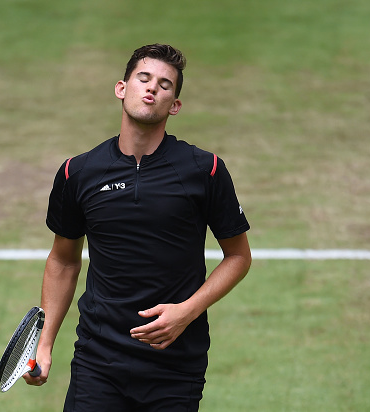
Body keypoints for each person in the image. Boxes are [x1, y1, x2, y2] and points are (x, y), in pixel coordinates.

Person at [24, 43, 252, 411]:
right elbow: (64, 261)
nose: (152, 88)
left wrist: (187, 311)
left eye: (165, 85)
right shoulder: (77, 173)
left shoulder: (204, 170)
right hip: (98, 361)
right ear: (122, 88)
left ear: (174, 105)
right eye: (143, 78)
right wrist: (44, 343)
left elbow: (238, 257)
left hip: (176, 366)